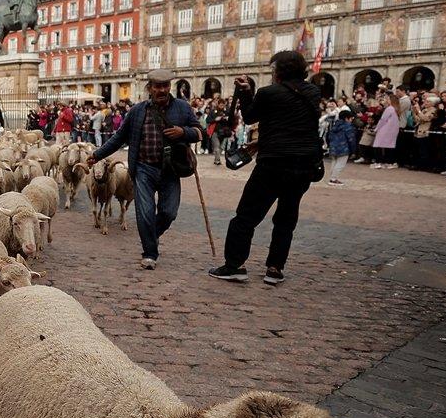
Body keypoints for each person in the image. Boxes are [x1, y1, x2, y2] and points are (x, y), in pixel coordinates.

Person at [210, 51, 322, 285]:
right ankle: (275, 268)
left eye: (273, 70)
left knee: (246, 216)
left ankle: (235, 265)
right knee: (286, 218)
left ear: (279, 72)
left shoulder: (269, 93)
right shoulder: (312, 92)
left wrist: (246, 92)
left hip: (273, 164)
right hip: (303, 165)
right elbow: (295, 124)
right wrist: (262, 141)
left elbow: (250, 117)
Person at [91, 69, 202, 270]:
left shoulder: (183, 108)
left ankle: (152, 235)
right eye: (157, 86)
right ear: (150, 88)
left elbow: (199, 132)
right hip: (143, 169)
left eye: (166, 86)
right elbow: (119, 137)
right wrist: (97, 154)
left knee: (169, 212)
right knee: (145, 212)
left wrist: (183, 132)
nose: (162, 90)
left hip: (171, 170)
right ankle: (150, 252)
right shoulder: (137, 111)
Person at [325, 109, 358, 186]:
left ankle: (332, 177)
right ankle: (333, 179)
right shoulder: (348, 126)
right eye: (351, 119)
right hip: (344, 147)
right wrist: (353, 150)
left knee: (334, 162)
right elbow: (351, 139)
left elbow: (328, 136)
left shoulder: (334, 125)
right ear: (347, 118)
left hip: (333, 146)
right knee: (340, 164)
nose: (351, 120)